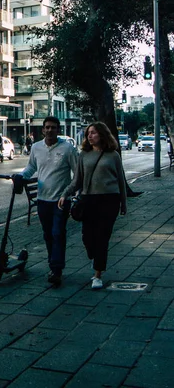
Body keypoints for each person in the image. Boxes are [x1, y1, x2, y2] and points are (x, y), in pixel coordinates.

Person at [58, 121, 127, 290]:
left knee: (102, 238)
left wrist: (123, 203)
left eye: (94, 132)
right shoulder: (84, 155)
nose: (90, 135)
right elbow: (77, 180)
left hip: (109, 200)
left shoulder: (113, 155)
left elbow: (121, 181)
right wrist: (65, 194)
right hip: (89, 199)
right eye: (88, 133)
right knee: (87, 237)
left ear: (102, 135)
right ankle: (95, 258)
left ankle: (98, 274)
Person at [20, 116, 78, 286]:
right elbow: (31, 167)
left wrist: (71, 193)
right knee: (48, 234)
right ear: (43, 129)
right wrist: (21, 176)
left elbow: (77, 173)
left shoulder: (68, 149)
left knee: (58, 233)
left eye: (53, 127)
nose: (50, 130)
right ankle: (53, 264)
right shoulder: (37, 147)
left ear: (58, 129)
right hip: (43, 199)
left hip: (61, 200)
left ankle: (57, 269)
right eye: (47, 127)